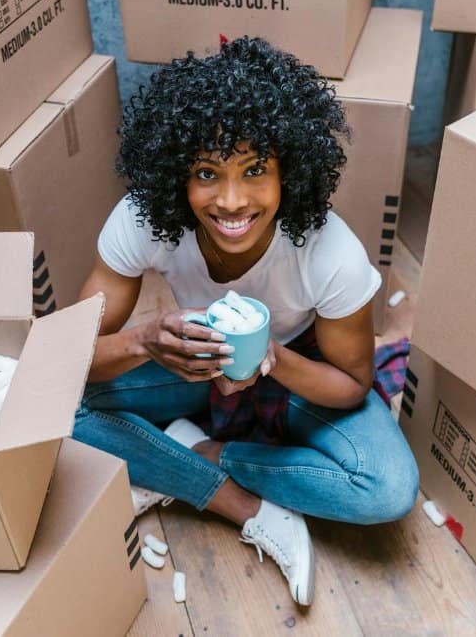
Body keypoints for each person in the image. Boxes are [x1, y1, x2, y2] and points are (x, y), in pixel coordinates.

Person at [74, 37, 419, 607]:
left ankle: (206, 454)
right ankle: (240, 503)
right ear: (175, 176)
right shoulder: (142, 220)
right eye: (207, 173)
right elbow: (67, 356)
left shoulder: (330, 253)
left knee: (387, 490)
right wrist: (143, 340)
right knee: (54, 408)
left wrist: (273, 360)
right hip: (189, 364)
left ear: (290, 171)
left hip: (291, 369)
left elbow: (352, 383)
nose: (232, 201)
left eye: (255, 170)